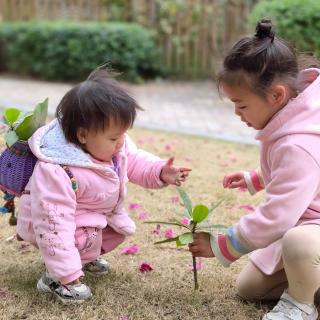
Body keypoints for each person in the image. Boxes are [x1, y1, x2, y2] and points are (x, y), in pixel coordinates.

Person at [17, 68, 191, 304]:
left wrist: (160, 171)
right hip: (51, 221)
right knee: (74, 234)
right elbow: (53, 225)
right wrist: (66, 274)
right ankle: (55, 278)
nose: (121, 143)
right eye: (113, 138)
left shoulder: (114, 146)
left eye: (123, 134)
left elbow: (135, 160)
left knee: (115, 230)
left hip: (91, 215)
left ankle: (82, 258)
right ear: (82, 136)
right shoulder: (57, 170)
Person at [189, 19, 320, 320]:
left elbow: (278, 216)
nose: (237, 113)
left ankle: (302, 305)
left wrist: (224, 243)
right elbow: (302, 173)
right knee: (250, 289)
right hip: (309, 223)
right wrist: (256, 178)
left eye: (242, 105)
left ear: (276, 95)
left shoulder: (299, 143)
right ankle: (310, 284)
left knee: (298, 243)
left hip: (307, 231)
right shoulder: (294, 119)